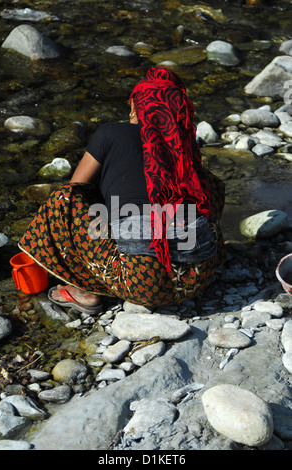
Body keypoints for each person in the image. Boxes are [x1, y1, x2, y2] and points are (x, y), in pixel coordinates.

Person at [18, 66, 226, 313]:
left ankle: (84, 290)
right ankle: (204, 253)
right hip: (197, 279)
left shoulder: (111, 133)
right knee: (207, 184)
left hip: (141, 284)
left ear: (134, 105)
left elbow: (75, 188)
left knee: (63, 199)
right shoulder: (185, 146)